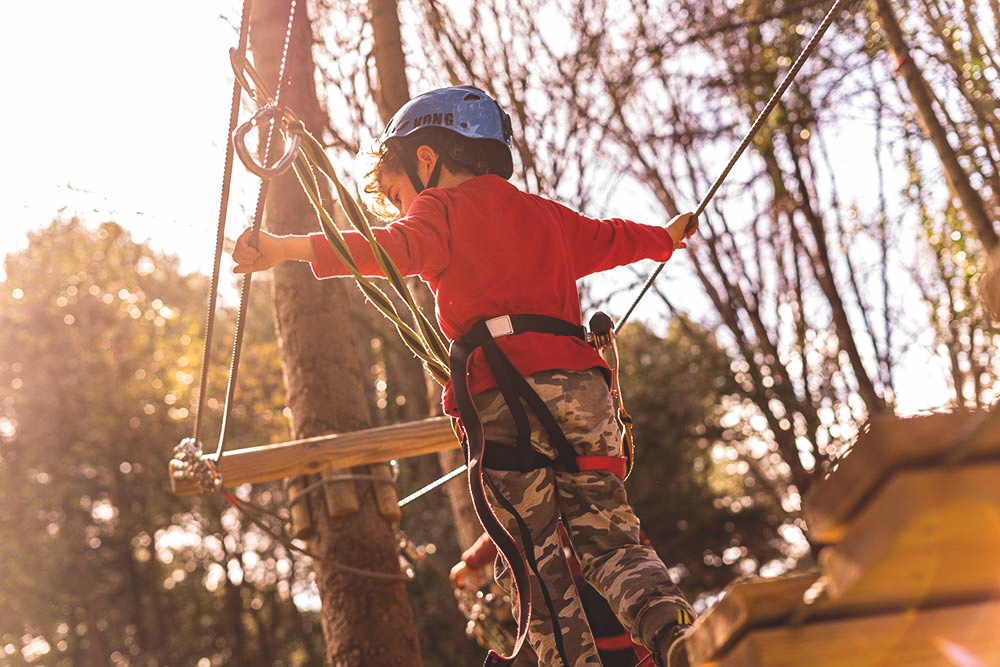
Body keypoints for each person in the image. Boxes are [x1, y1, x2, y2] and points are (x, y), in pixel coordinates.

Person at [232, 85, 697, 666]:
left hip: (506, 396)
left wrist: (284, 248)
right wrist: (667, 239)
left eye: (400, 191)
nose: (403, 208)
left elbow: (391, 249)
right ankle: (672, 630)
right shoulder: (547, 216)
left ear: (427, 158)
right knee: (608, 537)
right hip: (585, 393)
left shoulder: (442, 210)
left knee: (535, 558)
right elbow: (613, 237)